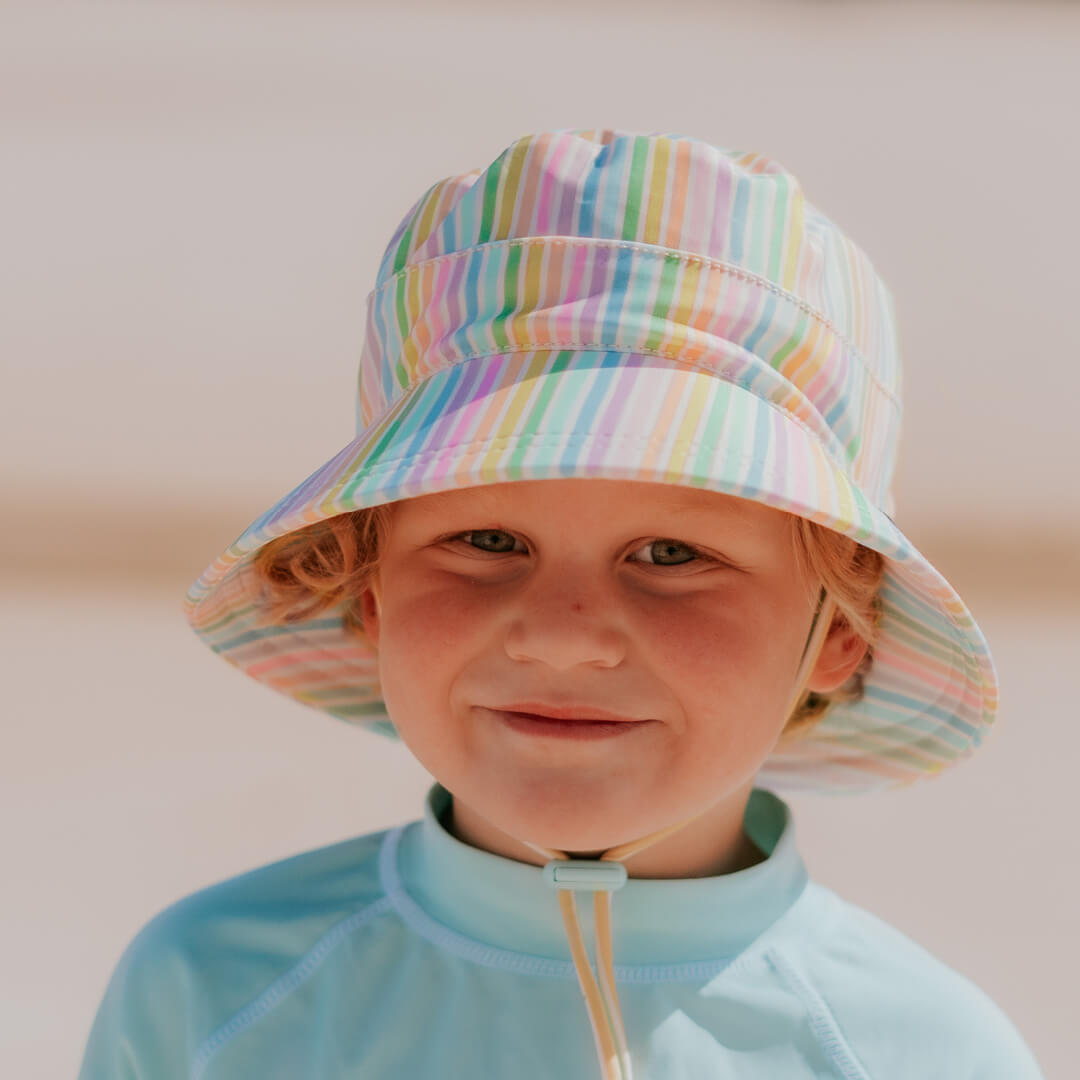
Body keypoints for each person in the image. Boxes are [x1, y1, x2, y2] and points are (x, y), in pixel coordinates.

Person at [77, 129, 1045, 1079]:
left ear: (838, 631)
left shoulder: (926, 1055)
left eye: (671, 555)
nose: (561, 638)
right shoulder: (209, 999)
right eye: (489, 542)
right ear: (371, 588)